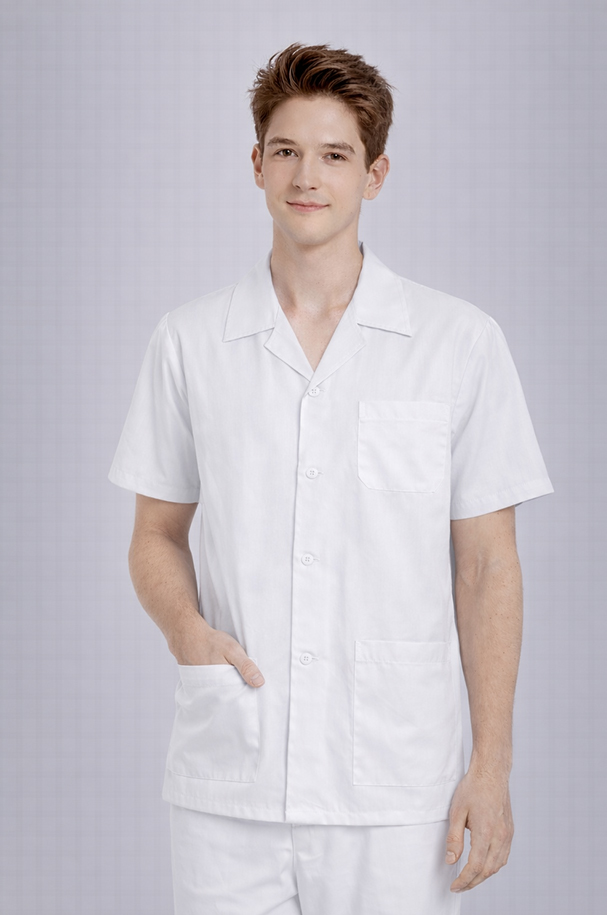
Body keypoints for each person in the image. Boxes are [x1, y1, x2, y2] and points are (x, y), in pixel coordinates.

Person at [108, 42, 554, 915]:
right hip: (231, 776)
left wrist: (492, 764)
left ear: (374, 174)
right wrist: (187, 633)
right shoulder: (189, 341)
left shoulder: (457, 344)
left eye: (335, 155)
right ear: (256, 164)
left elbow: (487, 566)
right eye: (286, 150)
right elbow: (154, 534)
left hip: (398, 784)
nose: (306, 177)